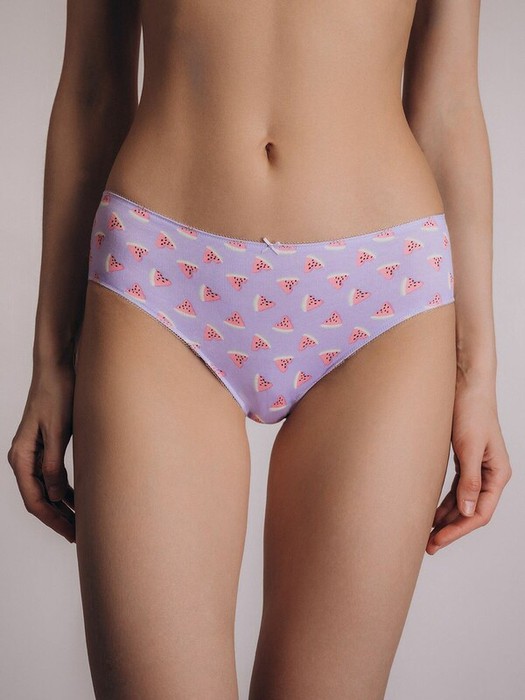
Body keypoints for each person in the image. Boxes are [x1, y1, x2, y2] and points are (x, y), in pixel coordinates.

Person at [7, 1, 512, 698]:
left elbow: (448, 103)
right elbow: (93, 87)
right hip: (161, 275)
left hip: (382, 299)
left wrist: (477, 374)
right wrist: (51, 360)